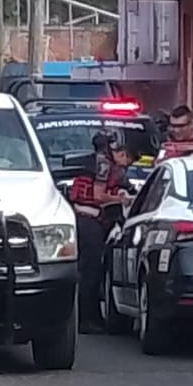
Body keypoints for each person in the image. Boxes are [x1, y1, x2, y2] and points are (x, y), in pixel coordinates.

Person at [73, 129, 133, 333]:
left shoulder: (97, 161)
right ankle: (85, 319)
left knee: (91, 270)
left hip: (87, 220)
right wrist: (121, 199)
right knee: (91, 271)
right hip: (89, 221)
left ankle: (91, 318)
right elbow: (98, 195)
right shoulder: (104, 164)